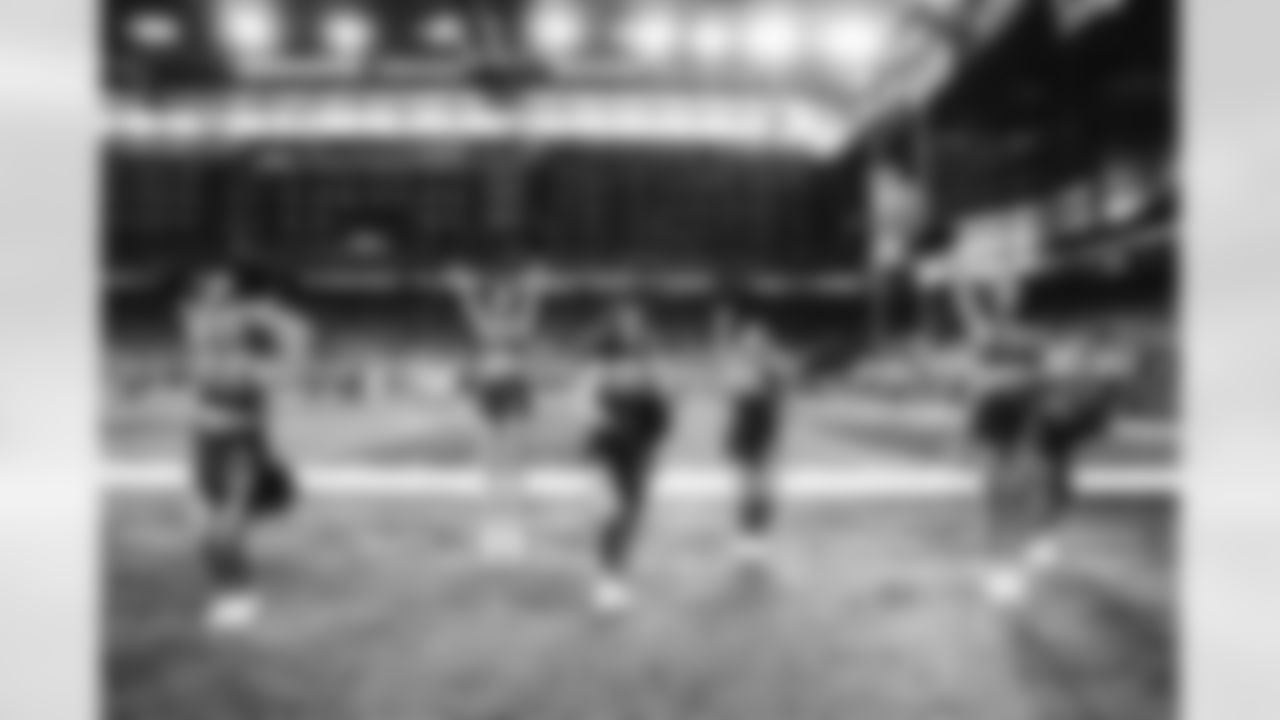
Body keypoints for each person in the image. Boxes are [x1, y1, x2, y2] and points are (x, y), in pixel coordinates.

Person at [181, 262, 310, 632]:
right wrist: (218, 306)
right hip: (204, 445)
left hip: (242, 448)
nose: (213, 309)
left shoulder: (260, 365)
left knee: (227, 528)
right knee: (202, 532)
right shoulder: (202, 345)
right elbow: (195, 319)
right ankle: (228, 593)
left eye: (224, 298)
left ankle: (241, 596)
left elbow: (299, 336)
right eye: (206, 295)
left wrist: (265, 311)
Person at [970, 333, 1126, 609]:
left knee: (1049, 501)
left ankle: (1031, 543)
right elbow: (984, 424)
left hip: (1042, 456)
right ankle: (1004, 570)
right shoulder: (1014, 394)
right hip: (1012, 455)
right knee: (1006, 510)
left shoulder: (1075, 393)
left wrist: (1096, 401)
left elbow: (1090, 427)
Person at [448, 265, 547, 562]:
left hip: (514, 389)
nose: (502, 300)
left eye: (508, 296)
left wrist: (535, 293)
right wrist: (463, 291)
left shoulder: (518, 325)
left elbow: (530, 322)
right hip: (490, 390)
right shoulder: (487, 323)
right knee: (491, 457)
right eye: (498, 297)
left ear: (512, 300)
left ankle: (514, 525)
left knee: (514, 457)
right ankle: (491, 525)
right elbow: (473, 318)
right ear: (492, 299)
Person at [584, 301, 671, 614]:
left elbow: (660, 406)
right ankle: (607, 579)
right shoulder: (603, 361)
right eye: (626, 322)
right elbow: (587, 400)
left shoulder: (649, 361)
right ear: (617, 328)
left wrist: (658, 439)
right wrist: (598, 427)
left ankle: (616, 575)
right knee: (615, 510)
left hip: (641, 446)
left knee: (634, 512)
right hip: (610, 445)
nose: (632, 328)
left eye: (637, 322)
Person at [718, 315, 794, 575]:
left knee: (764, 492)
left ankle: (759, 540)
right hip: (743, 438)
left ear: (765, 343)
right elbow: (737, 395)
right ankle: (746, 540)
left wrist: (766, 375)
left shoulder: (773, 369)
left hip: (765, 437)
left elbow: (780, 389)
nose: (753, 345)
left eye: (758, 341)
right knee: (747, 491)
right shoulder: (739, 370)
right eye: (748, 341)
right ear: (744, 345)